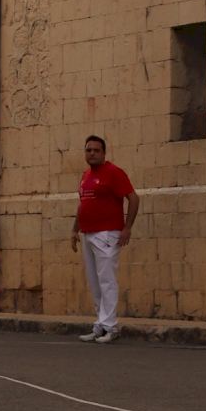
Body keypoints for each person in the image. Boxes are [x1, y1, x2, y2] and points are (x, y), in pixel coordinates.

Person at [71, 134, 139, 344]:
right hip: (87, 233)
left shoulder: (114, 172)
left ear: (104, 153)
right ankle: (100, 325)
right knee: (95, 282)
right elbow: (82, 204)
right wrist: (74, 230)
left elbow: (133, 198)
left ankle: (111, 326)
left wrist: (127, 228)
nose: (92, 153)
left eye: (96, 150)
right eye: (88, 150)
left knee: (107, 280)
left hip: (107, 234)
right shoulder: (86, 176)